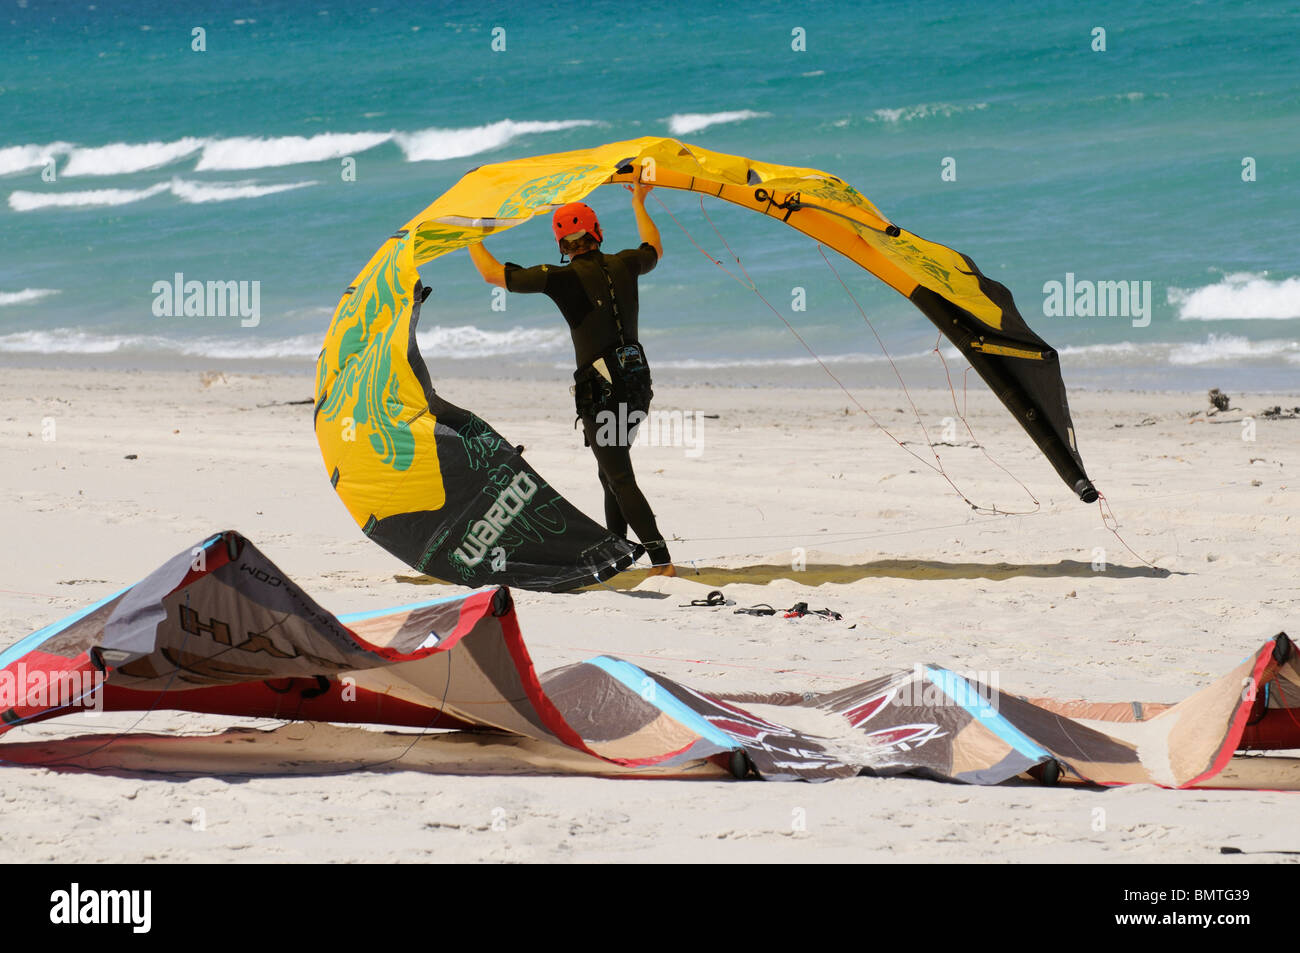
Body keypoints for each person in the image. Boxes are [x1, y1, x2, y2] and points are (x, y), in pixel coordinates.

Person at [467, 180, 676, 576]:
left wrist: (469, 237)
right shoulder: (627, 263)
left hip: (601, 392)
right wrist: (638, 199)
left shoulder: (560, 278)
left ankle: (662, 561)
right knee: (610, 471)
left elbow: (492, 275)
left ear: (562, 244)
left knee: (618, 475)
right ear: (597, 233)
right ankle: (618, 552)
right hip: (637, 384)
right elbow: (654, 248)